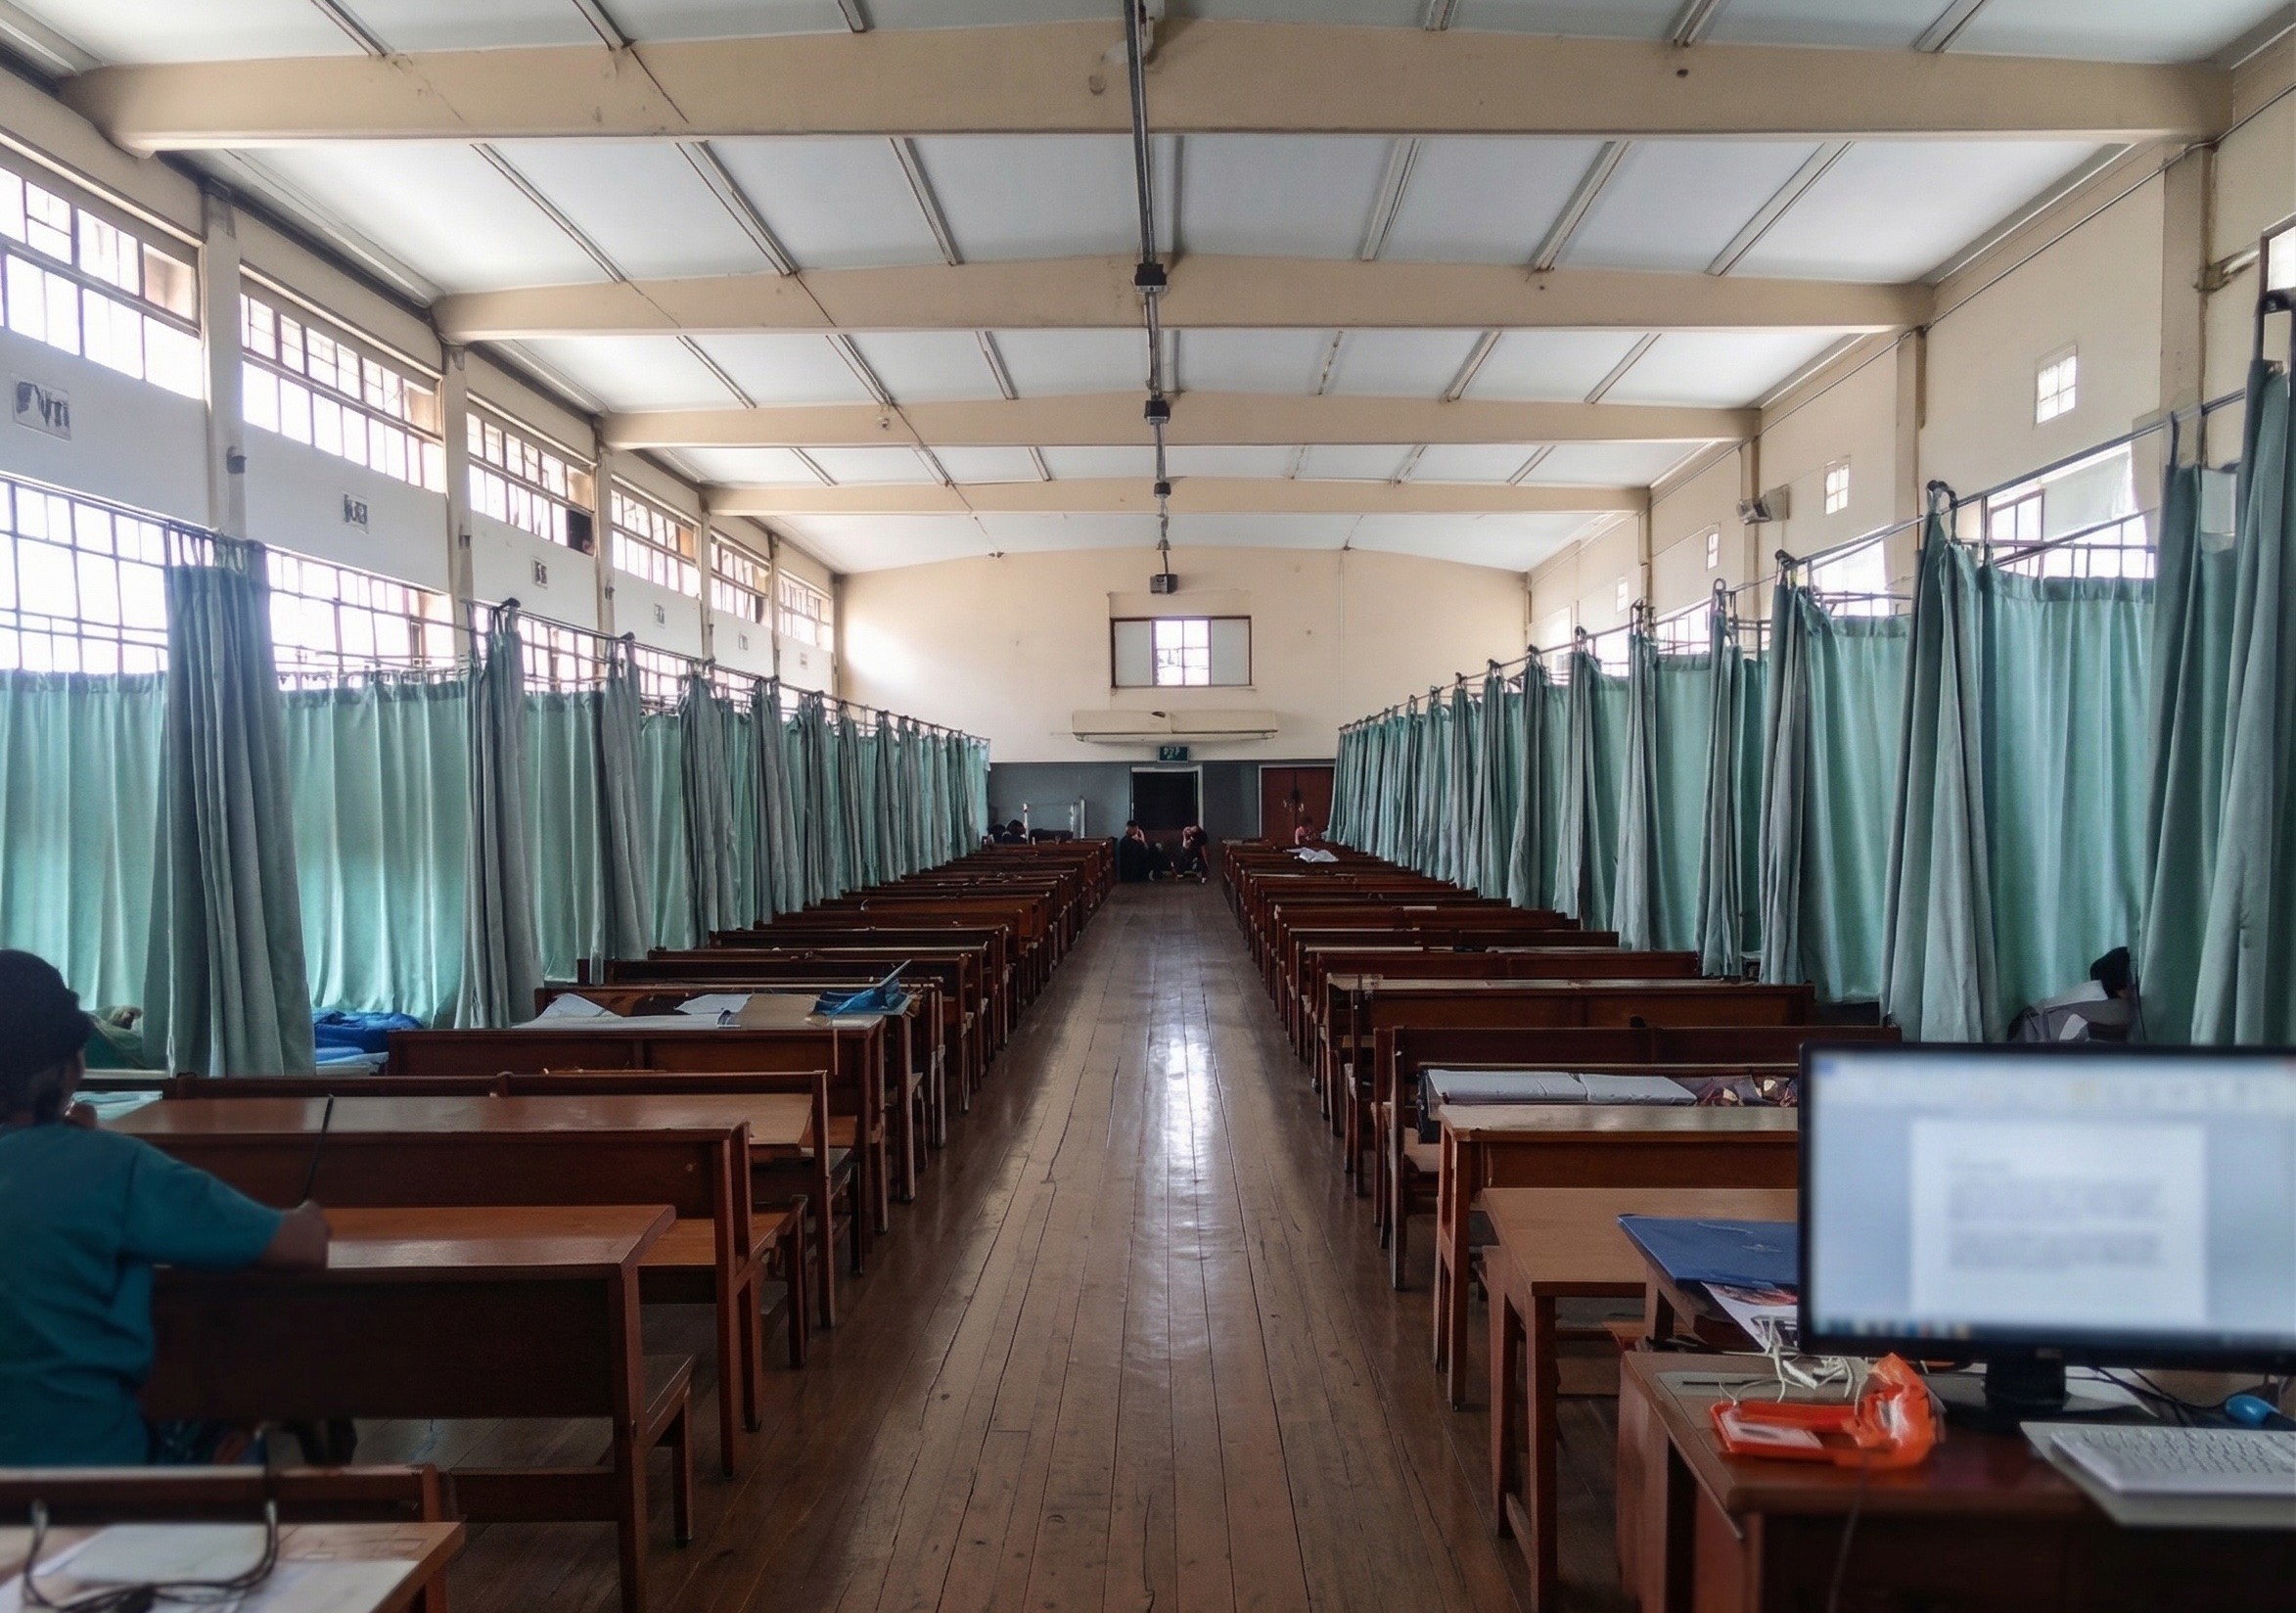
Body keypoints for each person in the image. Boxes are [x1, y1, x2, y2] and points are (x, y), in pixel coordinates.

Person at [0, 950, 331, 1466]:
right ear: (72, 1062)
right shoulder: (111, 1166)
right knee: (239, 1428)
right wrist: (310, 1212)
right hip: (84, 1481)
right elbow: (300, 1248)